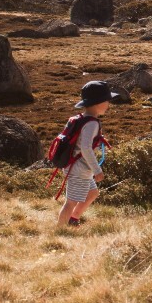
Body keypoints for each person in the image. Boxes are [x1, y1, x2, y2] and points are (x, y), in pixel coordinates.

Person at [57, 80, 118, 228]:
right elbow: (85, 148)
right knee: (70, 202)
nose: (109, 104)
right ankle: (59, 231)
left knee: (93, 193)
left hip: (77, 167)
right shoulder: (92, 123)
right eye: (107, 100)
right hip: (80, 169)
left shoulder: (81, 119)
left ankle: (73, 219)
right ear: (98, 103)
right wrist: (97, 169)